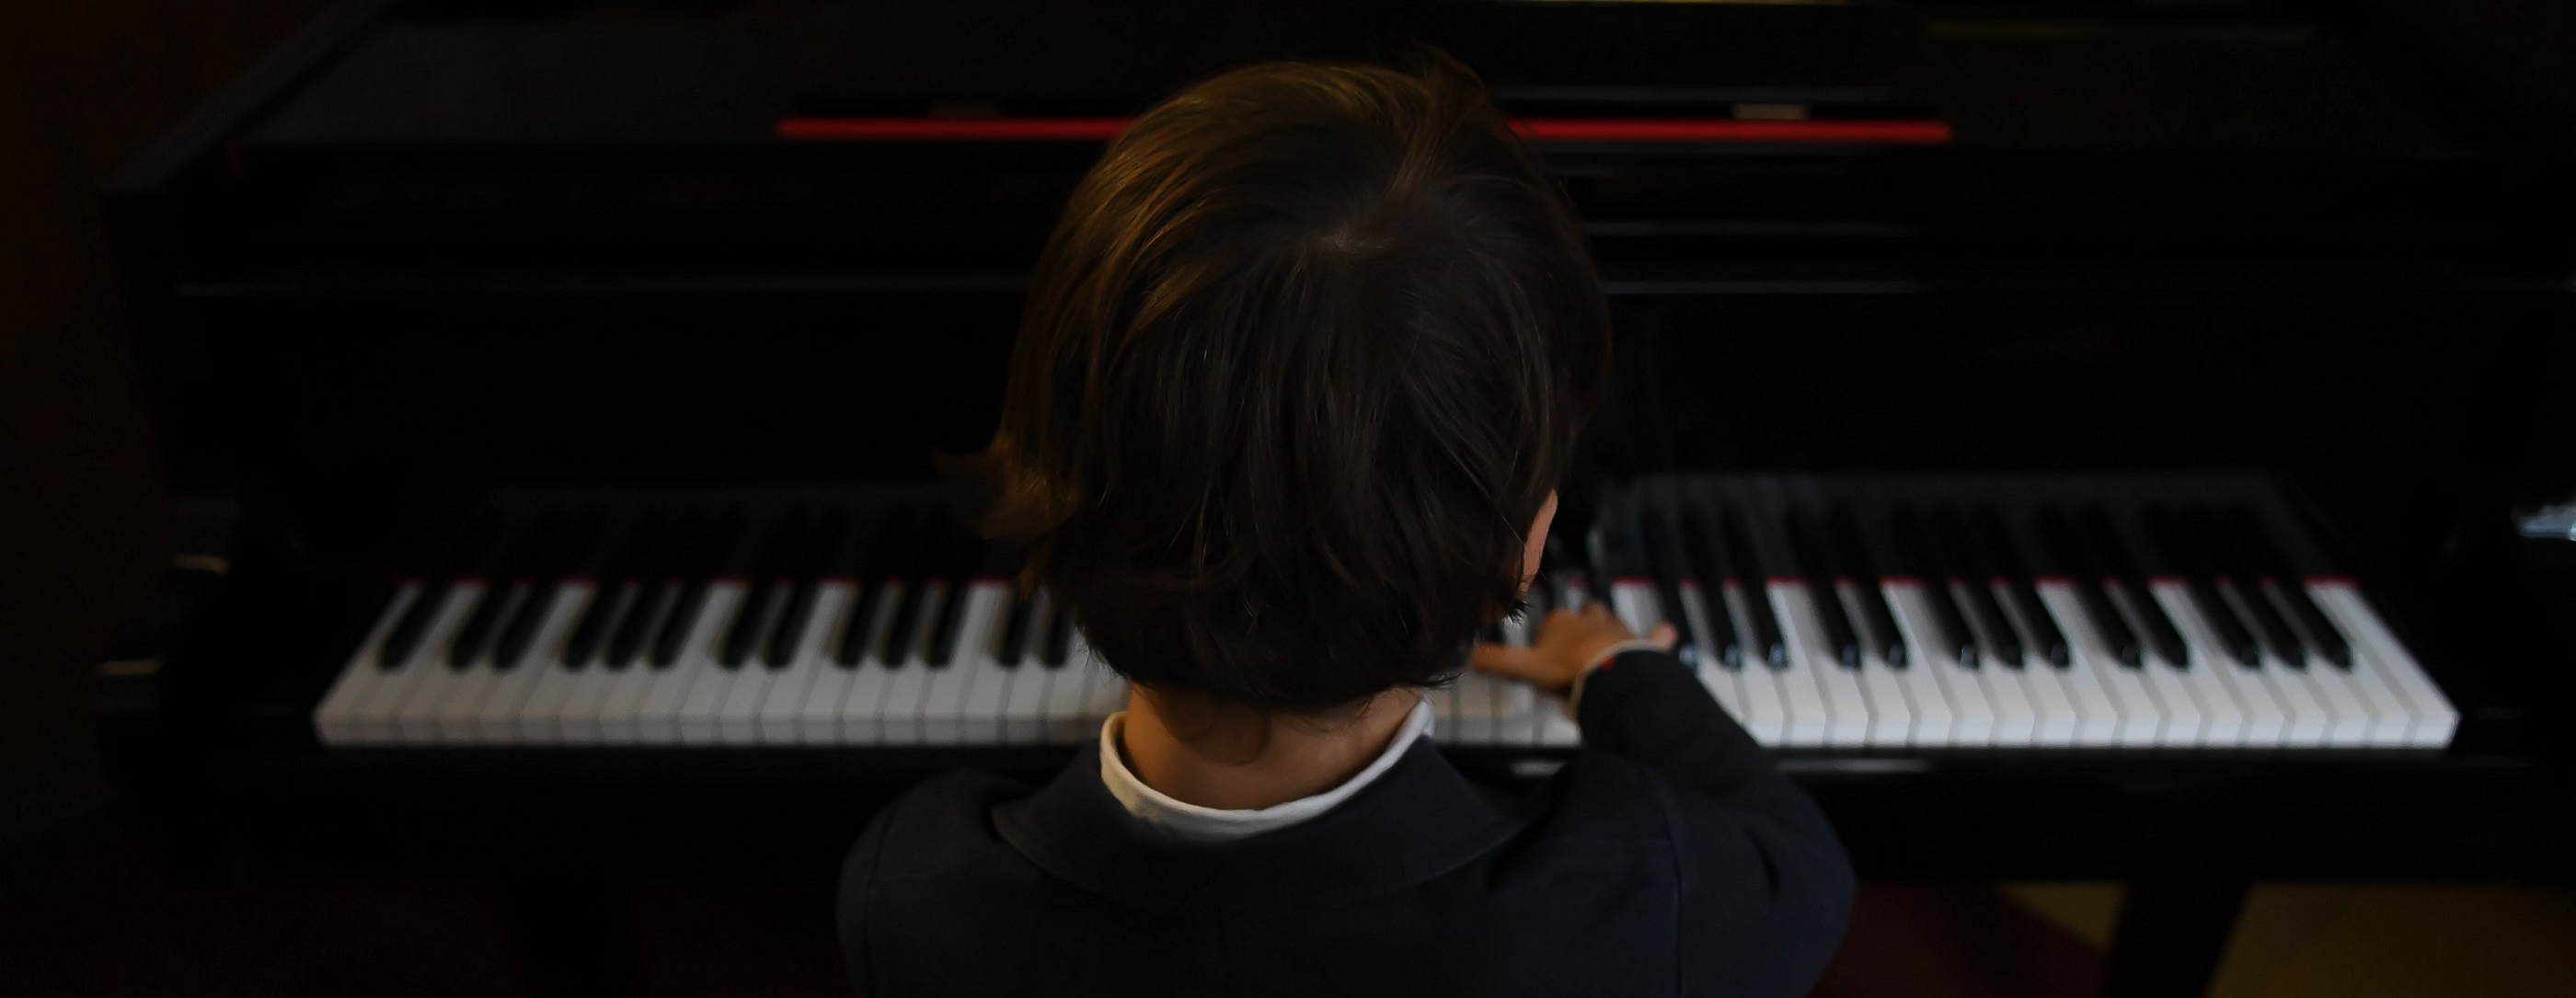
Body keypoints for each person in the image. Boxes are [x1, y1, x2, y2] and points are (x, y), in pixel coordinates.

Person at [839, 56, 1853, 996]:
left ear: (1048, 487)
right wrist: (1621, 672)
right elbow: (1802, 864)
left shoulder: (914, 893)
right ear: (1523, 549)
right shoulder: (1646, 894)